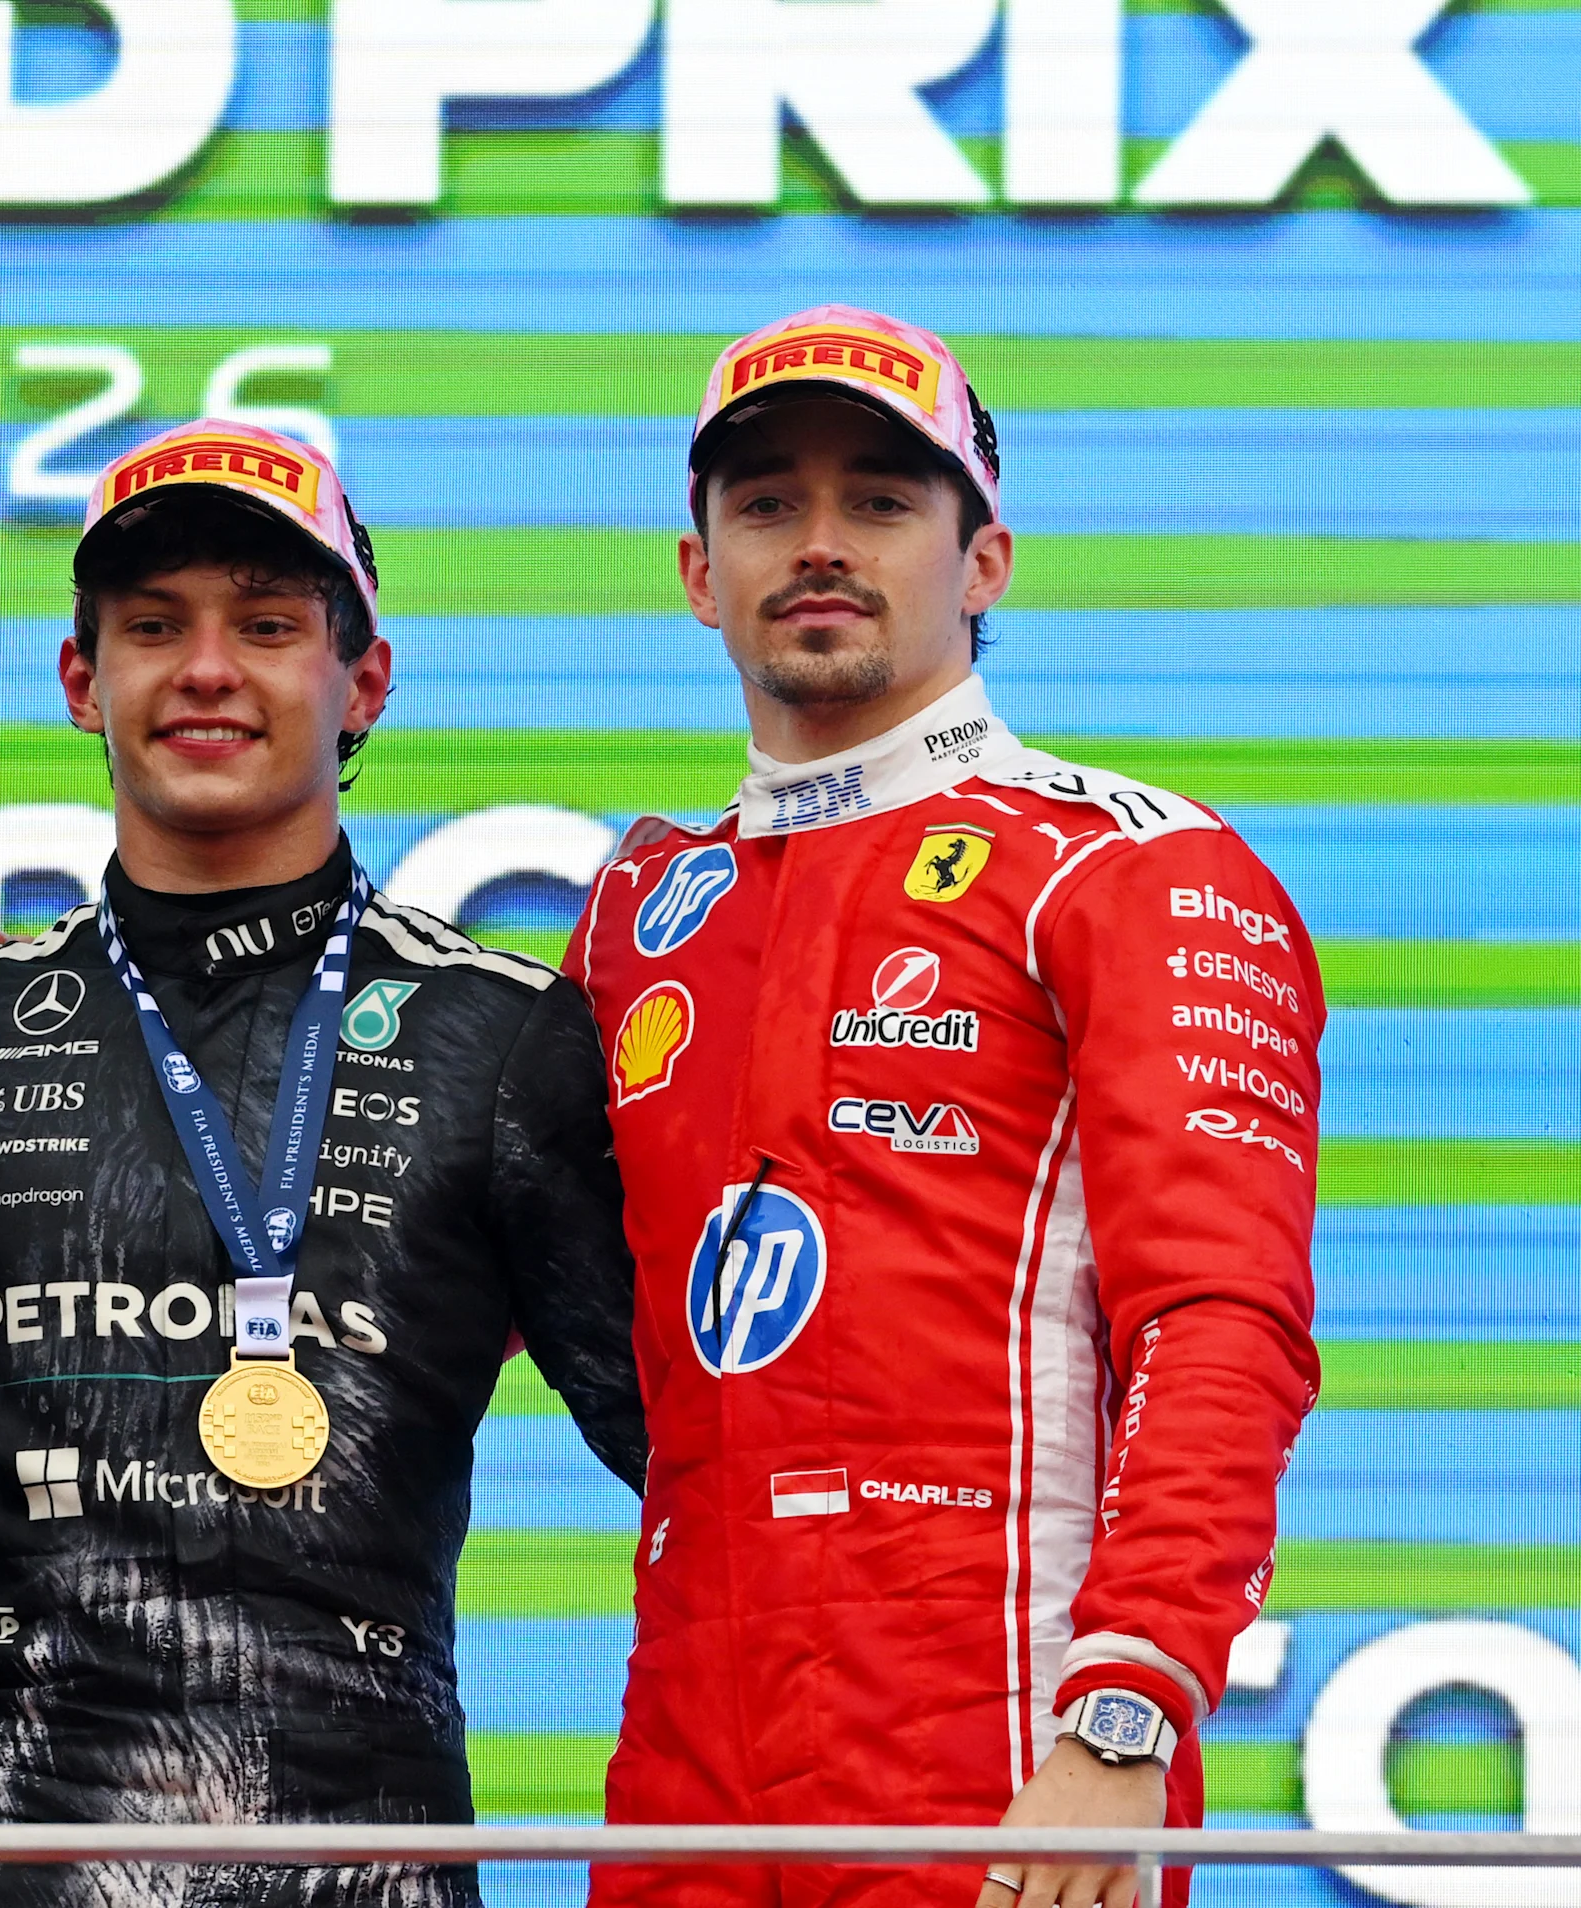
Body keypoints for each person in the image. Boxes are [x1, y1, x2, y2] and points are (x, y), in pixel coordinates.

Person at [570, 306, 1324, 1908]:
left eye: (881, 502)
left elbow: (1221, 1320)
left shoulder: (1128, 868)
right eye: (767, 504)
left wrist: (1126, 1702)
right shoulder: (635, 917)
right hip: (685, 1762)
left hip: (1002, 1744)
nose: (820, 544)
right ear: (698, 572)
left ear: (985, 562)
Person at [0, 420, 648, 1908]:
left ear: (364, 682)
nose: (206, 669)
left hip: (375, 1868)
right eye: (152, 626)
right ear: (80, 679)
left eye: (268, 625)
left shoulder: (503, 1038)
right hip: (20, 1863)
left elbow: (696, 1464)